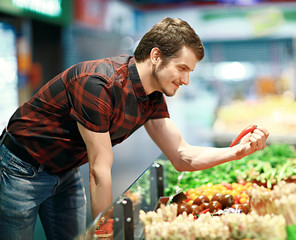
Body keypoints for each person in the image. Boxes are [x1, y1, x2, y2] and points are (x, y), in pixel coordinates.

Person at [0, 17, 269, 240]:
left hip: (64, 169)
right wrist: (106, 235)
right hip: (21, 169)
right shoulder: (98, 83)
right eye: (182, 68)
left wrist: (236, 152)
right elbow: (99, 171)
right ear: (156, 56)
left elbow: (181, 155)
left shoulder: (152, 96)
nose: (186, 80)